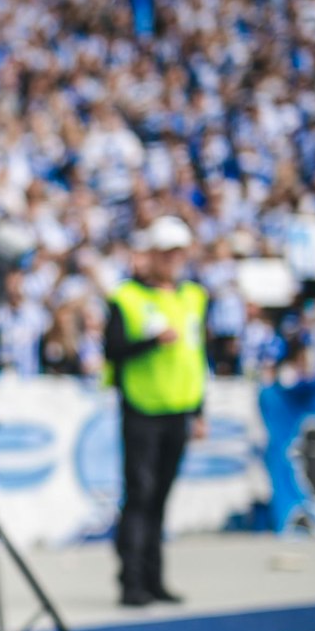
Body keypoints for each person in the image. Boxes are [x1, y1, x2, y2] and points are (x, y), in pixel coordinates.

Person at [105, 216, 208, 608]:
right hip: (141, 409)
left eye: (177, 253)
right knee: (140, 494)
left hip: (178, 410)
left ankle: (155, 577)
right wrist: (151, 341)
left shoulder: (193, 296)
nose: (172, 260)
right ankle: (131, 579)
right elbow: (113, 351)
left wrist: (199, 410)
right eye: (165, 253)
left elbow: (197, 357)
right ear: (150, 255)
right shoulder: (126, 297)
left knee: (161, 497)